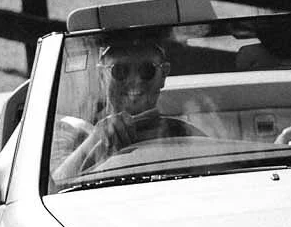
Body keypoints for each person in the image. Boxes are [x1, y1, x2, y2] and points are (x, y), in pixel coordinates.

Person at [54, 30, 203, 180]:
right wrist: (96, 141)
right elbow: (55, 185)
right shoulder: (72, 135)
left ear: (163, 75)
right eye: (120, 71)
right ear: (102, 75)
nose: (135, 81)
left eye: (147, 70)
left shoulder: (184, 134)